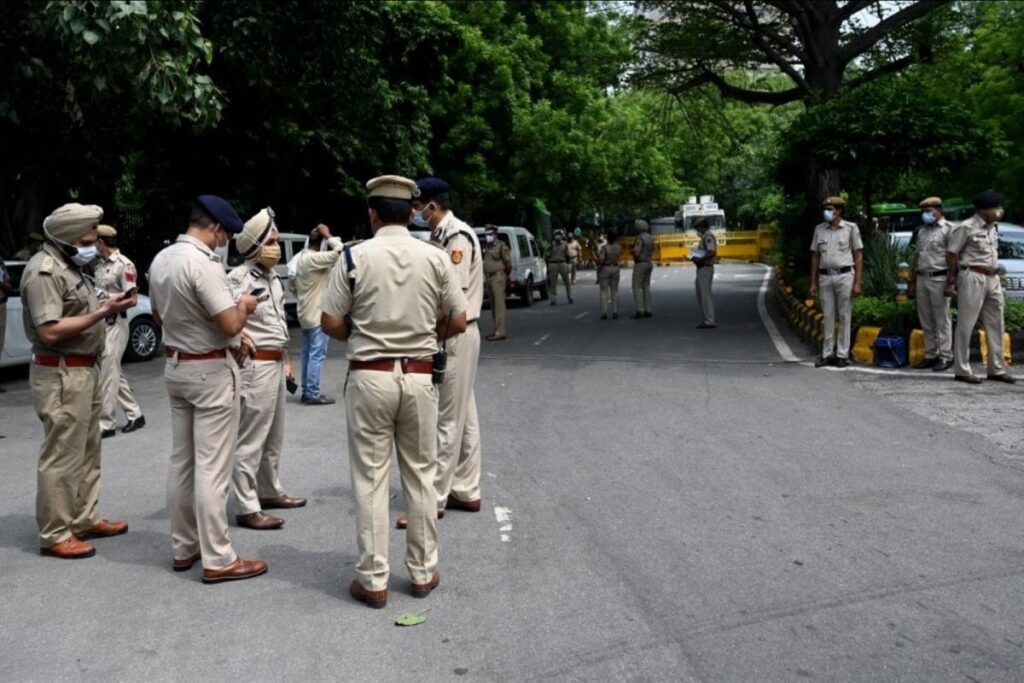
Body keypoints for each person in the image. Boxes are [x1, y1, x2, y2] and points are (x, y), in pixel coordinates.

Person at [321, 175, 467, 609]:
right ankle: (422, 572)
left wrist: (362, 334)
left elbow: (330, 322)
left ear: (371, 214)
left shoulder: (351, 257)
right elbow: (458, 321)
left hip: (369, 375)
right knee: (421, 476)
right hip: (420, 377)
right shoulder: (436, 256)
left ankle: (373, 579)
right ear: (411, 213)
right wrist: (424, 334)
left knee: (370, 479)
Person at [148, 195, 268, 583]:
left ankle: (184, 547)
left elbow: (157, 314)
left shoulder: (161, 259)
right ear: (215, 228)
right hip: (209, 372)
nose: (225, 242)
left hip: (176, 365)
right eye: (225, 235)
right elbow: (230, 323)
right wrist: (245, 305)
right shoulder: (204, 264)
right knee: (213, 468)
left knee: (181, 463)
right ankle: (219, 557)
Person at [20, 203, 133, 559]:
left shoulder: (71, 267)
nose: (92, 246)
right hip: (61, 372)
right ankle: (55, 532)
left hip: (84, 370)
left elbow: (79, 310)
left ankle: (84, 518)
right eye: (86, 240)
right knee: (62, 455)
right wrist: (100, 313)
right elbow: (50, 329)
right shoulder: (44, 272)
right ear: (66, 239)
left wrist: (105, 303)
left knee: (87, 450)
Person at [401, 176, 484, 527]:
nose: (416, 214)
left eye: (419, 208)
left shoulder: (456, 238)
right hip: (454, 333)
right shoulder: (440, 236)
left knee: (446, 419)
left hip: (455, 332)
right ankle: (466, 488)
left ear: (432, 206)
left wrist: (428, 332)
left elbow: (454, 302)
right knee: (464, 414)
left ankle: (433, 499)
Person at [227, 208, 306, 531]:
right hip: (255, 366)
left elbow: (277, 325)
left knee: (274, 435)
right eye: (271, 241)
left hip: (275, 363)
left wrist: (286, 360)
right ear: (255, 246)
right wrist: (239, 338)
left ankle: (268, 490)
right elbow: (227, 321)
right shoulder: (238, 279)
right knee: (250, 438)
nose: (276, 246)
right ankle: (247, 506)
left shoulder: (272, 278)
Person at [946, 190, 1015, 384]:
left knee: (996, 323)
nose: (998, 211)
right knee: (966, 324)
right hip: (972, 275)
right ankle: (962, 369)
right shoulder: (966, 227)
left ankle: (997, 369)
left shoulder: (992, 227)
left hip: (992, 277)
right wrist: (952, 279)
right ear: (983, 210)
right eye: (995, 207)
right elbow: (952, 253)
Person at [93, 225, 145, 438]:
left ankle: (106, 423)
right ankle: (136, 414)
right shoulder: (98, 265)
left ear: (100, 243)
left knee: (108, 372)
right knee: (113, 371)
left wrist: (110, 305)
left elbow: (132, 300)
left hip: (116, 323)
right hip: (102, 323)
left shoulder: (124, 265)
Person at [808, 196, 863, 367]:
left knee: (845, 315)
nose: (827, 212)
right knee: (828, 315)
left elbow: (858, 255)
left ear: (838, 211)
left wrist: (857, 282)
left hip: (845, 275)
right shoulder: (819, 230)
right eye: (826, 209)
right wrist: (813, 282)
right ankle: (826, 353)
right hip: (825, 276)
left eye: (830, 209)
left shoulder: (850, 228)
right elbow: (815, 256)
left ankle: (842, 354)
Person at [293, 223, 343, 405]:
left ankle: (307, 391)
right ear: (321, 244)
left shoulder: (300, 259)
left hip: (305, 313)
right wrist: (329, 234)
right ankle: (312, 393)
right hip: (316, 315)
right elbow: (340, 252)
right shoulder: (314, 258)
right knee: (317, 355)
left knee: (307, 354)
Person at [910, 197, 954, 372]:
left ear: (939, 210)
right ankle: (931, 355)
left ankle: (945, 356)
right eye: (924, 211)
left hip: (940, 278)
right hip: (922, 277)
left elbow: (953, 258)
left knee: (942, 319)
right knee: (926, 319)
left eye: (929, 210)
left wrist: (951, 282)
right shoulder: (921, 232)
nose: (926, 214)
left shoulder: (948, 230)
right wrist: (913, 282)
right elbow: (917, 257)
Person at [482, 224, 511, 341]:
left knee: (499, 305)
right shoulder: (487, 246)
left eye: (490, 234)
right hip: (488, 278)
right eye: (486, 234)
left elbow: (508, 264)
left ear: (495, 234)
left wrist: (504, 276)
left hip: (498, 277)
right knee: (493, 306)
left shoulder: (501, 246)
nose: (488, 236)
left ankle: (501, 331)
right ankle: (496, 329)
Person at [692, 219, 718, 329]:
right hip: (702, 268)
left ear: (702, 226)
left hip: (705, 268)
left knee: (705, 295)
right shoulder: (705, 237)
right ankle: (707, 318)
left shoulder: (708, 236)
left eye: (698, 228)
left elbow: (711, 252)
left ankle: (710, 320)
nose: (697, 230)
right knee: (701, 294)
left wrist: (700, 259)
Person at [631, 219, 655, 319]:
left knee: (636, 287)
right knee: (646, 287)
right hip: (649, 262)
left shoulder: (640, 239)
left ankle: (640, 309)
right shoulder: (650, 237)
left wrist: (632, 252)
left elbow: (636, 252)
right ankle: (648, 309)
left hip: (640, 263)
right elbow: (654, 248)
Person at [597, 229, 622, 320]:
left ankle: (604, 312)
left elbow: (600, 260)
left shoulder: (605, 248)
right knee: (614, 291)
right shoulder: (619, 247)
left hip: (605, 268)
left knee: (604, 291)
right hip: (615, 268)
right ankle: (615, 311)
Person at [546, 230, 573, 305]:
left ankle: (569, 297)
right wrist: (548, 267)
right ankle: (553, 299)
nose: (557, 236)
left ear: (561, 236)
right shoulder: (551, 244)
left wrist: (569, 265)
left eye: (559, 234)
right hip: (553, 264)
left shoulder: (565, 244)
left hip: (562, 263)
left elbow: (567, 255)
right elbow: (547, 255)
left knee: (567, 282)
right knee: (553, 283)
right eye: (556, 234)